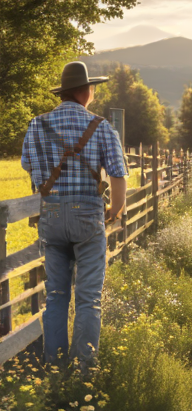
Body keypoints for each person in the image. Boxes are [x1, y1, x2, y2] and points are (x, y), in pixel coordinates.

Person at [21, 61, 127, 366]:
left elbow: (29, 165)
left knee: (55, 296)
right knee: (88, 299)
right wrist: (115, 211)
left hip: (51, 215)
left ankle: (55, 371)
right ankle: (83, 375)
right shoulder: (101, 126)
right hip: (88, 216)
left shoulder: (36, 125)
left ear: (64, 92)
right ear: (87, 91)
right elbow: (118, 176)